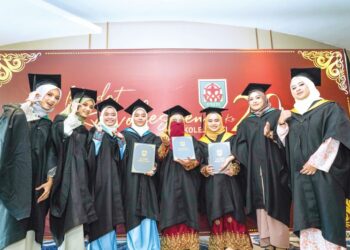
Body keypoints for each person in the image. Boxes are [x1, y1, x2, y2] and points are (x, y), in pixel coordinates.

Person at [273, 68, 350, 249]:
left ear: (310, 86)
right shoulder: (292, 115)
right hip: (301, 176)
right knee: (307, 217)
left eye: (301, 85)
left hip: (325, 174)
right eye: (293, 87)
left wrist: (316, 162)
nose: (297, 89)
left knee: (328, 213)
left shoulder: (329, 108)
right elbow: (286, 144)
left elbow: (335, 137)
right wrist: (282, 124)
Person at [232, 83, 291, 249]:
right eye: (251, 99)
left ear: (266, 98)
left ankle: (279, 243)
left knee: (276, 199)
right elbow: (239, 145)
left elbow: (291, 140)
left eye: (258, 97)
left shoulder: (277, 115)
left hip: (275, 168)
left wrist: (272, 135)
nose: (255, 101)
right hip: (255, 171)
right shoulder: (246, 123)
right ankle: (265, 240)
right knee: (260, 202)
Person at [48, 87, 98, 249]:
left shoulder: (84, 129)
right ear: (75, 104)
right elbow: (57, 140)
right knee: (70, 216)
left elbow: (91, 153)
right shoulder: (61, 120)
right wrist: (71, 117)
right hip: (66, 180)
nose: (88, 109)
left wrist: (100, 132)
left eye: (90, 107)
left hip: (81, 180)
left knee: (79, 219)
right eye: (84, 105)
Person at [199, 107, 252, 250]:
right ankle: (220, 245)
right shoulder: (201, 142)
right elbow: (200, 163)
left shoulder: (232, 138)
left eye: (217, 120)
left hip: (231, 184)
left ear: (222, 121)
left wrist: (234, 169)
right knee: (216, 214)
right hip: (213, 185)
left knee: (234, 212)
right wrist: (204, 169)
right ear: (205, 123)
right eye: (210, 121)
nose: (214, 123)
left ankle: (236, 245)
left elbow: (240, 160)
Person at [22, 74, 62, 249]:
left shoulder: (49, 124)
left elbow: (52, 153)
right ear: (38, 93)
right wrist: (27, 104)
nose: (53, 100)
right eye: (49, 94)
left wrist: (50, 181)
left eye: (56, 97)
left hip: (39, 182)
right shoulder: (17, 114)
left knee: (35, 222)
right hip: (17, 179)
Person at [157, 105, 202, 250]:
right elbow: (157, 160)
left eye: (180, 120)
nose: (177, 122)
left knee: (189, 209)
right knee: (170, 210)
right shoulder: (163, 140)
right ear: (168, 122)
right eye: (174, 120)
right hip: (168, 184)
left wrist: (192, 163)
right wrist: (165, 146)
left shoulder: (191, 140)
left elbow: (199, 158)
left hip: (188, 182)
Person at [121, 99, 161, 250]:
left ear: (147, 118)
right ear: (131, 118)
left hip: (148, 183)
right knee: (132, 216)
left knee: (148, 217)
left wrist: (155, 168)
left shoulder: (153, 138)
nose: (139, 118)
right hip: (131, 183)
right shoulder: (124, 136)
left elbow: (157, 159)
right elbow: (119, 160)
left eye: (142, 115)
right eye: (136, 115)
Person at [86, 98, 125, 250]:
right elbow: (89, 158)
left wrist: (122, 143)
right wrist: (98, 136)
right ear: (100, 116)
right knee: (100, 219)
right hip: (98, 185)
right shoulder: (95, 132)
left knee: (111, 219)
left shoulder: (117, 136)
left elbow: (122, 162)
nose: (110, 117)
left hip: (114, 185)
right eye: (106, 114)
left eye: (113, 115)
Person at [0, 96, 32, 250]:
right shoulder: (15, 115)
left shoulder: (45, 124)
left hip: (26, 185)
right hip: (10, 184)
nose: (52, 100)